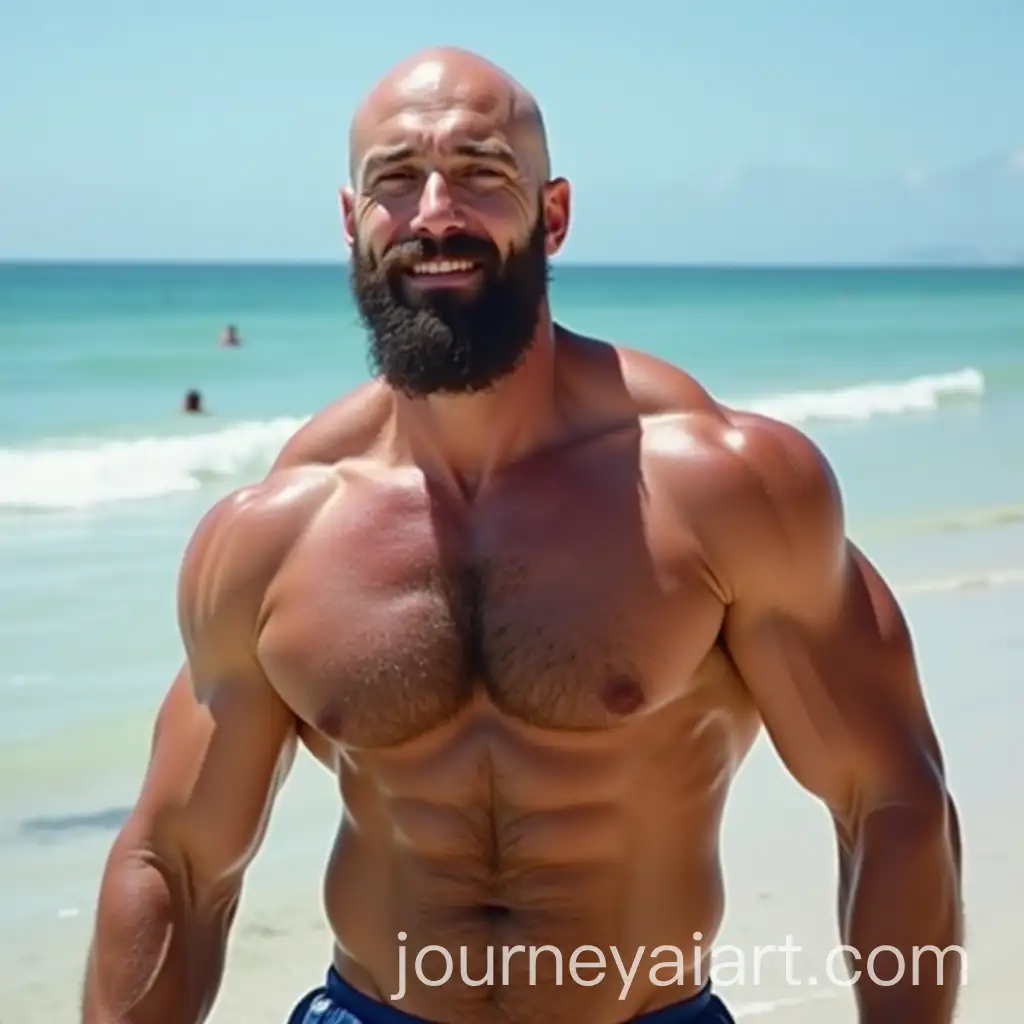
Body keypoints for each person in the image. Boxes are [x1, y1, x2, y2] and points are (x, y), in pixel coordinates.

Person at [81, 47, 963, 1024]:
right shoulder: (273, 535)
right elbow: (176, 859)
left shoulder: (725, 486)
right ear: (351, 221)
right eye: (396, 181)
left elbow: (888, 798)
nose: (434, 214)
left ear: (553, 213)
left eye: (480, 173)